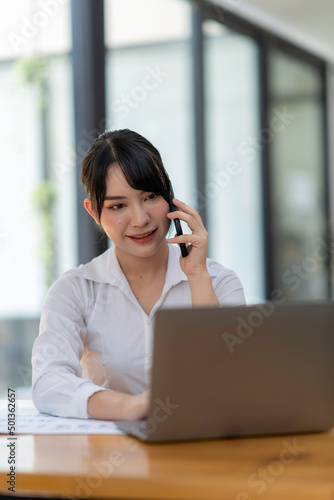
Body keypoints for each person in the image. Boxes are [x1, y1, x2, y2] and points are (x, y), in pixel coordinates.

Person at [31, 129, 245, 421]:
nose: (140, 219)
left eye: (150, 196)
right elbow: (49, 382)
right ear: (93, 212)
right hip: (109, 457)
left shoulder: (219, 282)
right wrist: (133, 407)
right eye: (118, 205)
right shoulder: (74, 290)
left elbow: (231, 380)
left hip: (200, 450)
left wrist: (197, 278)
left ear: (170, 195)